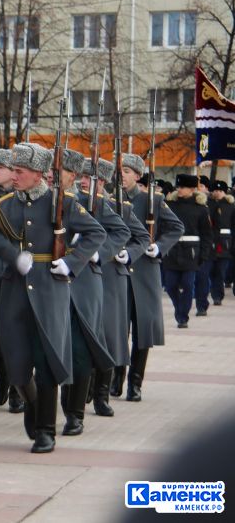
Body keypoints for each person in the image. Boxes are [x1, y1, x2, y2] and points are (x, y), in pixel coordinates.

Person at [0, 143, 105, 454]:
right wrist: (13, 256)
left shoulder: (61, 202)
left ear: (38, 174)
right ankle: (34, 404)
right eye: (13, 170)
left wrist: (71, 262)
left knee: (46, 360)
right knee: (16, 361)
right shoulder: (3, 205)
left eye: (20, 171)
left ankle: (45, 430)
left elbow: (96, 233)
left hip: (50, 288)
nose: (14, 176)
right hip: (14, 290)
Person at [60, 150, 128, 437]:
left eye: (58, 171)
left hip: (84, 281)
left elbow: (120, 232)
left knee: (80, 348)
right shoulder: (40, 202)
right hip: (47, 281)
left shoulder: (94, 203)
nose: (52, 175)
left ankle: (74, 413)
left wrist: (97, 255)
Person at [79, 158, 149, 419]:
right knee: (85, 336)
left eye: (89, 177)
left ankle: (102, 395)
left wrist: (125, 254)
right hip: (82, 278)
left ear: (103, 181)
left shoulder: (119, 207)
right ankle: (84, 390)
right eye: (82, 177)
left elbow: (141, 238)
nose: (84, 181)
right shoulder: (74, 204)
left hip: (110, 279)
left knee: (108, 338)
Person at [115, 154, 184, 402]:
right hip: (119, 271)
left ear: (137, 175)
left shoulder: (153, 199)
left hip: (144, 272)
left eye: (126, 171)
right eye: (120, 170)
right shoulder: (112, 199)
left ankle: (136, 383)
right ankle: (117, 377)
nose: (121, 174)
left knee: (143, 331)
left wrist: (160, 247)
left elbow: (176, 227)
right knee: (118, 329)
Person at [0, 149, 24, 414]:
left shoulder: (22, 201)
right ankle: (3, 375)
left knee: (14, 337)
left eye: (2, 166)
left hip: (16, 276)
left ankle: (16, 388)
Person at [162, 174, 213, 329]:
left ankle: (182, 317)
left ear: (191, 189)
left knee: (188, 285)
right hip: (172, 250)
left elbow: (206, 234)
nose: (179, 190)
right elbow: (162, 227)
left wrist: (203, 254)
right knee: (170, 285)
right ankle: (180, 309)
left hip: (191, 253)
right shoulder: (169, 205)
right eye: (178, 186)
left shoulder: (201, 209)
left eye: (182, 187)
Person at [205, 180, 234, 308]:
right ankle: (213, 292)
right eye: (215, 191)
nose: (217, 193)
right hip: (211, 240)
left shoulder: (231, 205)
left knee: (221, 271)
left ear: (224, 192)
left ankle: (218, 296)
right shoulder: (207, 205)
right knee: (211, 271)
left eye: (220, 191)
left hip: (225, 241)